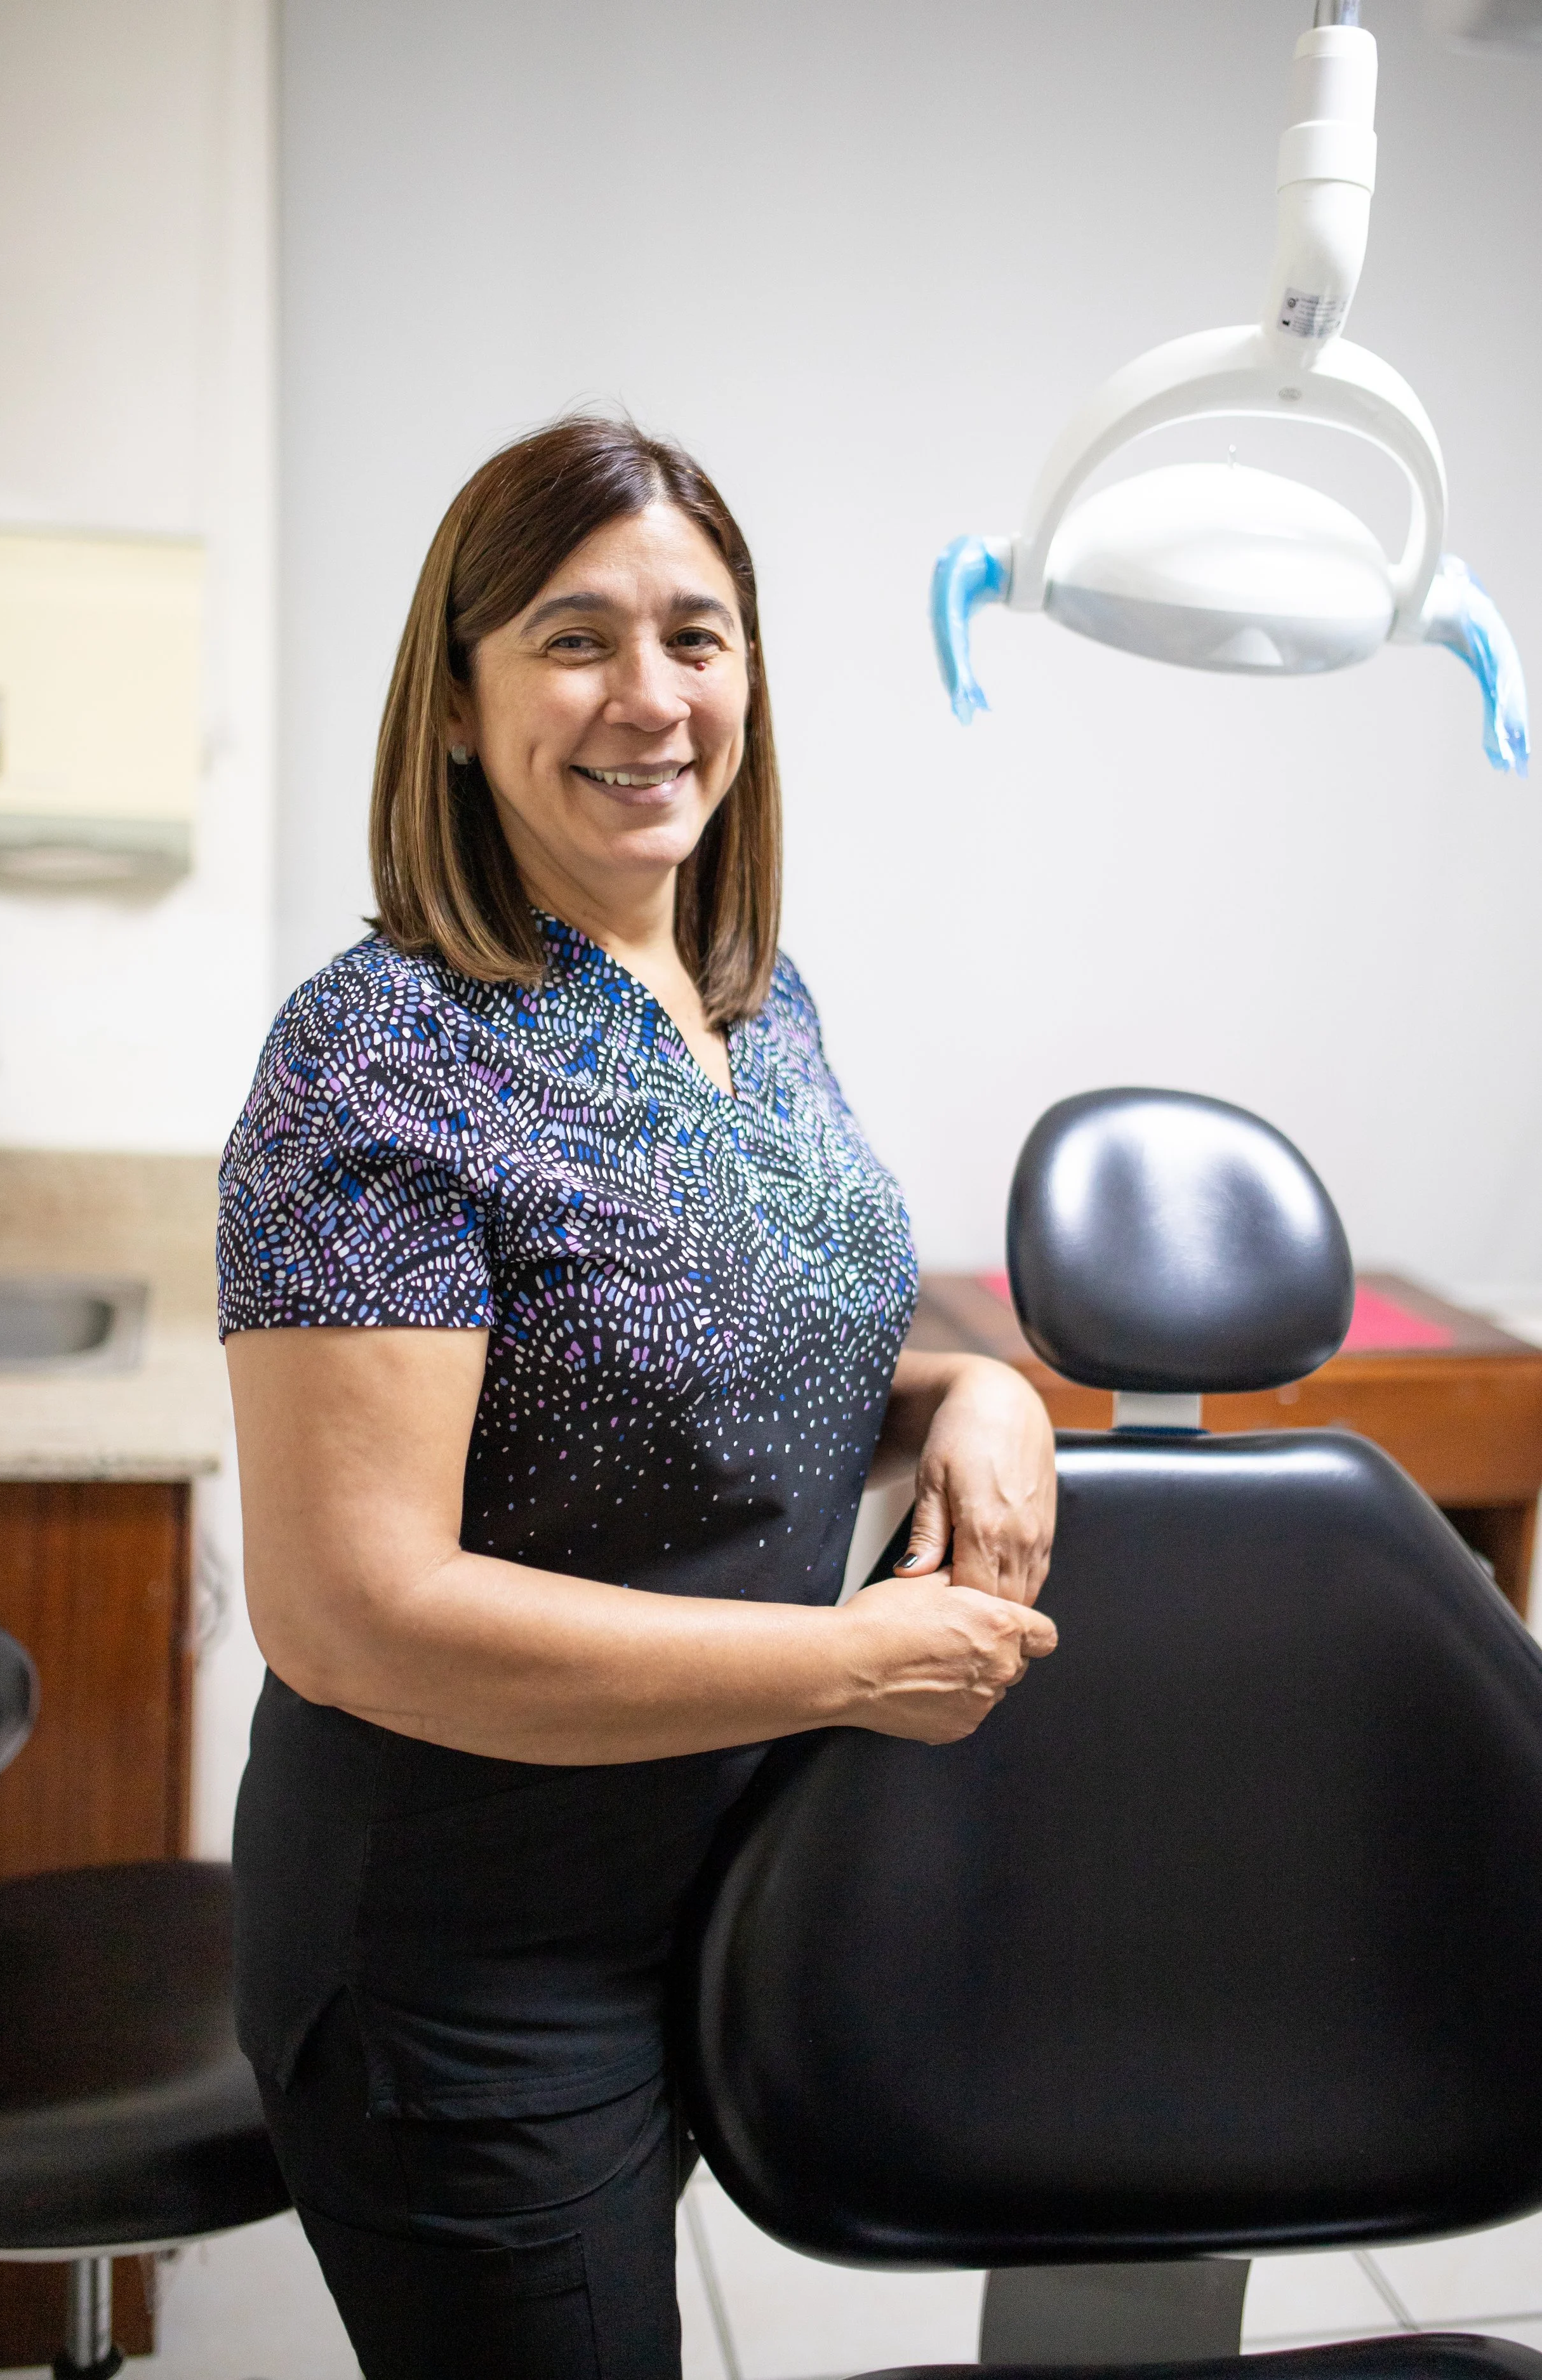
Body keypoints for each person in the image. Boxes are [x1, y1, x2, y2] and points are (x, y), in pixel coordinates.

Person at [219, 415, 1058, 2380]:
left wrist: (976, 1383)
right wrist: (845, 1669)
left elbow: (742, 1361)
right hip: (464, 1969)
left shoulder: (755, 1008)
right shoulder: (377, 1063)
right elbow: (352, 1609)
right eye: (574, 636)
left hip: (713, 1896)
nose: (650, 696)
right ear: (454, 701)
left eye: (697, 635)